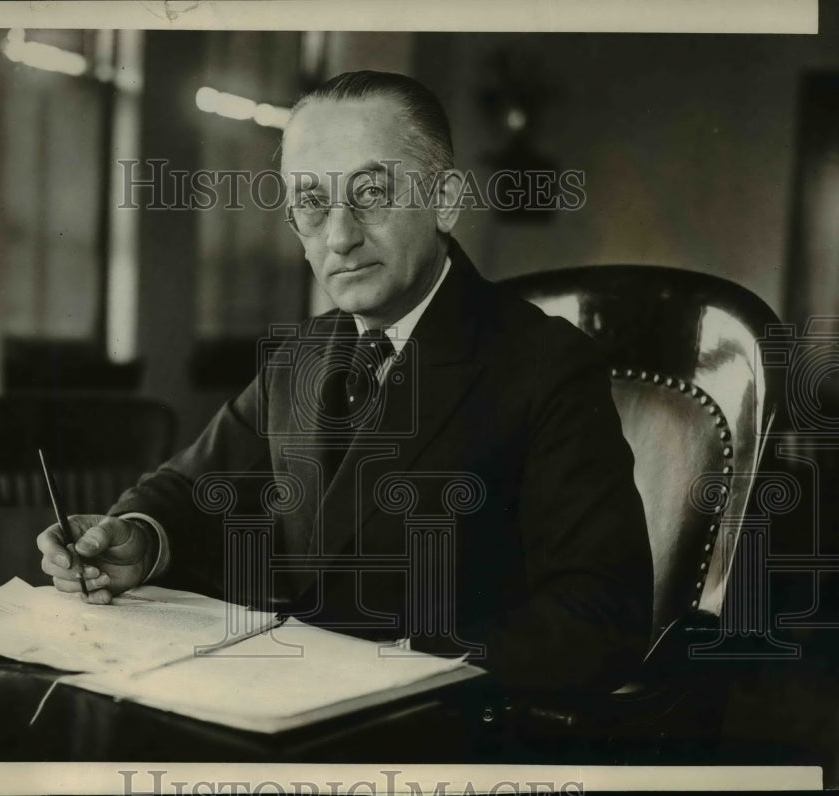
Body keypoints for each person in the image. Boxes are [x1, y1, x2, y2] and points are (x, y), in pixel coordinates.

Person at [37, 70, 653, 693]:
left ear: (445, 200)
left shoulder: (545, 363)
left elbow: (603, 613)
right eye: (311, 201)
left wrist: (407, 660)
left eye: (372, 193)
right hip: (273, 708)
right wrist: (140, 541)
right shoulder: (299, 355)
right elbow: (187, 488)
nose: (340, 236)